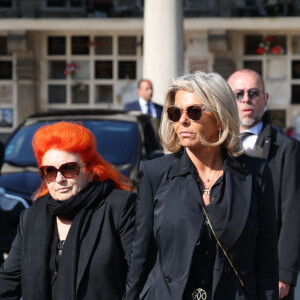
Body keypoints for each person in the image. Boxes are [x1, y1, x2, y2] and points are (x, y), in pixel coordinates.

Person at [124, 71, 279, 300]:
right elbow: (141, 257)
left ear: (220, 116)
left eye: (194, 111)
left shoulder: (255, 174)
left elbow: (266, 261)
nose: (183, 120)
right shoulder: (154, 173)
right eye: (175, 113)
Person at [0, 121, 136, 300]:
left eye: (69, 169)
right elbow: (8, 281)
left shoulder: (119, 207)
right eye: (49, 171)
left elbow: (139, 279)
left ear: (90, 170)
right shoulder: (32, 216)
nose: (59, 179)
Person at [227, 68, 300, 300]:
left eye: (254, 93)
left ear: (265, 99)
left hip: (269, 272)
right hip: (226, 270)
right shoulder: (214, 146)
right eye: (238, 94)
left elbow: (293, 214)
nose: (246, 99)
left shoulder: (287, 148)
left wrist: (285, 274)